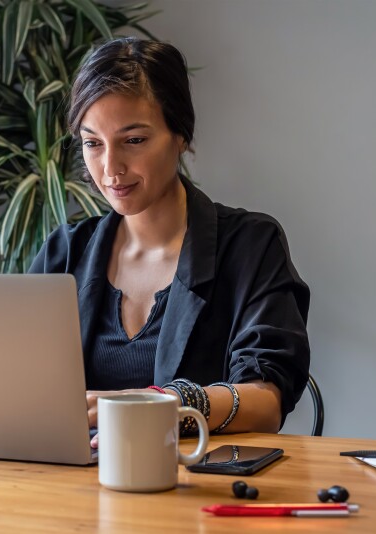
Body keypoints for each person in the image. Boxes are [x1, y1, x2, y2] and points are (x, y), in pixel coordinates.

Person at [28, 38, 310, 445]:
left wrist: (165, 405)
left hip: (193, 488)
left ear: (180, 135)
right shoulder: (65, 252)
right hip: (73, 488)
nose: (110, 168)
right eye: (93, 143)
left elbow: (266, 402)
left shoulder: (249, 246)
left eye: (134, 140)